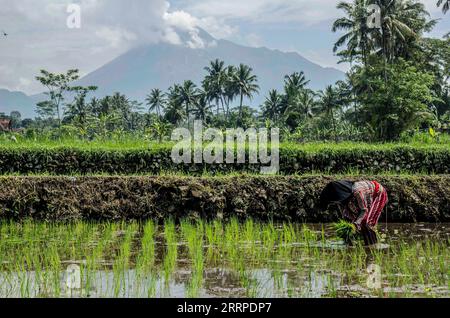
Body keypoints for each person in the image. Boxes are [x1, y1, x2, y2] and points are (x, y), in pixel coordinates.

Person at [320, 180, 388, 245]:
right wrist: (348, 226)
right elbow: (345, 214)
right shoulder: (342, 200)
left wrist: (356, 224)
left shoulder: (357, 191)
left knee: (367, 222)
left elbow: (364, 210)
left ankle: (373, 245)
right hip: (361, 200)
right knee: (351, 221)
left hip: (378, 193)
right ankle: (353, 243)